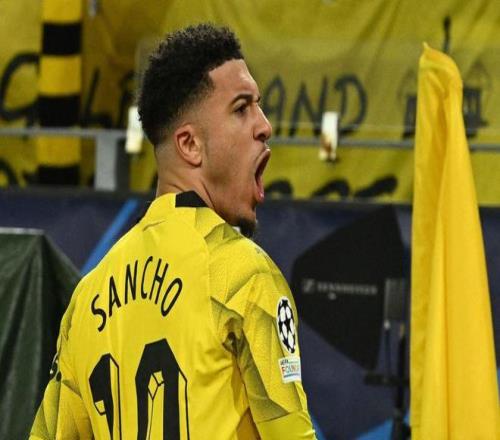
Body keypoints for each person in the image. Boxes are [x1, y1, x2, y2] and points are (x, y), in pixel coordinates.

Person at [30, 23, 316, 439]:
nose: (264, 125)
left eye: (259, 106)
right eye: (242, 108)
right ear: (190, 145)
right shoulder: (243, 277)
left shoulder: (86, 299)